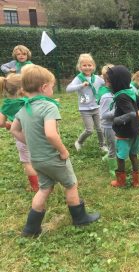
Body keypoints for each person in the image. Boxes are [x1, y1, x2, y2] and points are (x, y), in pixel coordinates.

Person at [10, 64, 100, 237]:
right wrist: (63, 151)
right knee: (71, 185)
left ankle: (31, 228)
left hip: (37, 159)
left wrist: (31, 143)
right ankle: (80, 218)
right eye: (52, 86)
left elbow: (14, 130)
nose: (52, 89)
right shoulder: (49, 107)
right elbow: (51, 134)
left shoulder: (24, 108)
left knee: (44, 189)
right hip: (54, 158)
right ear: (44, 87)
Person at [107, 65, 139, 188]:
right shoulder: (130, 91)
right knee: (133, 155)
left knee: (120, 157)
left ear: (116, 82)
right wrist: (136, 109)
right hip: (135, 130)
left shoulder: (121, 96)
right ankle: (136, 181)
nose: (107, 83)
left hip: (124, 133)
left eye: (109, 81)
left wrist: (117, 120)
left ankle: (121, 181)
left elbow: (131, 113)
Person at [0, 73, 38, 191]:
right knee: (40, 156)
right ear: (23, 88)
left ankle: (35, 187)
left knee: (27, 161)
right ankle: (48, 179)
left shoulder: (6, 105)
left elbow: (0, 123)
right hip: (37, 133)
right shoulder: (30, 99)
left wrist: (8, 125)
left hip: (20, 136)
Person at [66, 53, 106, 152]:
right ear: (80, 67)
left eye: (89, 65)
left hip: (97, 107)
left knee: (100, 128)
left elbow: (107, 83)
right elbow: (68, 89)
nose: (87, 67)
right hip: (85, 108)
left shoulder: (97, 78)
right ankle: (79, 142)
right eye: (84, 65)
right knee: (89, 130)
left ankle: (102, 145)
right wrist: (80, 85)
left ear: (93, 66)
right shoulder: (79, 78)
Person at [97, 64, 116, 177]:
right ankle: (113, 169)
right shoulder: (106, 95)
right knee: (113, 147)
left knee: (115, 145)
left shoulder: (114, 91)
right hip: (109, 127)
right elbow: (103, 115)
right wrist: (118, 111)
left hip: (116, 125)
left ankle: (107, 156)